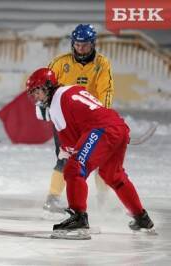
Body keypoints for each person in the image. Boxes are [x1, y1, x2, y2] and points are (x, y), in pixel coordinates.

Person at [26, 67, 154, 238]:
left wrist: (66, 150)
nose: (35, 97)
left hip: (101, 129)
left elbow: (72, 141)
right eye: (32, 93)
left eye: (37, 91)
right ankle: (142, 218)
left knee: (74, 168)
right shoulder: (71, 90)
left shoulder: (56, 103)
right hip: (118, 126)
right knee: (113, 175)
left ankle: (78, 217)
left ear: (48, 86)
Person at [41, 24, 114, 216]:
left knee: (99, 159)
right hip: (64, 119)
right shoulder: (59, 63)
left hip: (90, 119)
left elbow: (106, 90)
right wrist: (45, 106)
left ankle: (103, 200)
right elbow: (45, 85)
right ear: (73, 43)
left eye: (85, 45)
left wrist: (103, 116)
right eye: (78, 44)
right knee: (65, 158)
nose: (81, 49)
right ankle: (52, 198)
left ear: (93, 44)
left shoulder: (102, 64)